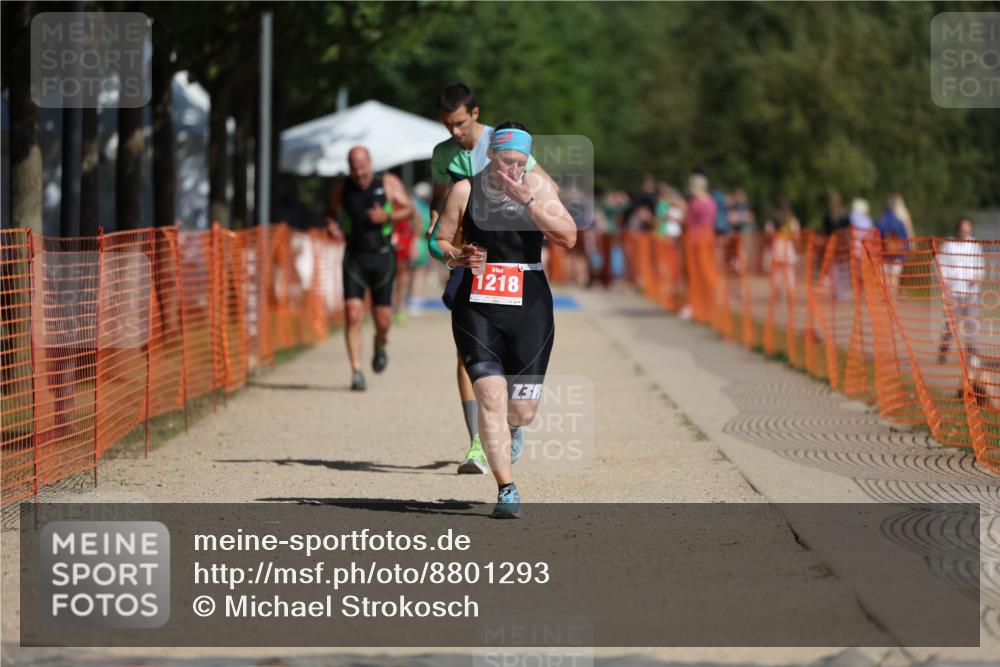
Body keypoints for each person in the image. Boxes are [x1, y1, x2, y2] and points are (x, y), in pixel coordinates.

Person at [434, 122, 576, 518]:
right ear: (490, 155)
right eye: (505, 161)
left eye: (519, 162)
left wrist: (528, 202)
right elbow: (438, 240)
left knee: (521, 411)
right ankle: (506, 488)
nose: (512, 169)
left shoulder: (537, 187)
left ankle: (513, 429)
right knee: (490, 396)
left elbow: (568, 237)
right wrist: (457, 256)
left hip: (529, 305)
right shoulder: (465, 190)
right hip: (477, 305)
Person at [427, 83, 549, 475]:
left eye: (460, 124)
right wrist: (441, 232)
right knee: (467, 352)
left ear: (475, 114)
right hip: (469, 259)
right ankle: (478, 442)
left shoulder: (505, 143)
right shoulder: (443, 154)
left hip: (510, 266)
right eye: (447, 125)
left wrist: (537, 211)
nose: (454, 132)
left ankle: (509, 421)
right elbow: (440, 200)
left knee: (510, 358)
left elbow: (544, 187)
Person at [326, 146, 414, 391]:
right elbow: (331, 212)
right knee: (353, 314)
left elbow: (409, 210)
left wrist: (388, 217)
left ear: (370, 163)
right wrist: (331, 226)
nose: (359, 173)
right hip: (354, 258)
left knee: (383, 320)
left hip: (383, 258)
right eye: (354, 168)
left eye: (363, 167)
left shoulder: (387, 182)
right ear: (349, 167)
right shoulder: (342, 187)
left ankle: (380, 343)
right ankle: (356, 371)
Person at [937, 218, 985, 371]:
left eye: (968, 229)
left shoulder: (975, 245)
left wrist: (977, 277)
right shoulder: (949, 244)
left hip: (971, 293)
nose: (965, 232)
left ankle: (972, 356)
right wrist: (945, 282)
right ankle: (943, 351)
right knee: (950, 326)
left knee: (972, 325)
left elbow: (980, 266)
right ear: (958, 229)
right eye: (963, 229)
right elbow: (942, 264)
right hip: (954, 293)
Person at [681, 172, 720, 324]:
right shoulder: (711, 201)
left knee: (694, 273)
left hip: (695, 240)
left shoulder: (695, 202)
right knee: (707, 270)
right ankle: (709, 302)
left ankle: (693, 304)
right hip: (708, 238)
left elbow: (687, 221)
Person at [875, 195, 910, 296]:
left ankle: (886, 300)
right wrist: (905, 255)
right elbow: (905, 240)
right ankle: (892, 300)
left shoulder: (880, 222)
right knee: (894, 279)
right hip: (898, 254)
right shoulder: (900, 222)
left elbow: (875, 239)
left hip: (884, 254)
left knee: (885, 279)